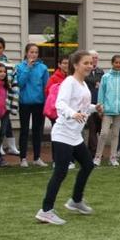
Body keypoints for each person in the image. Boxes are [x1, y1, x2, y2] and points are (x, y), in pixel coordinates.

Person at [35, 50, 101, 225]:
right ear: (76, 65)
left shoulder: (83, 84)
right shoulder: (69, 82)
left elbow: (83, 106)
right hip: (63, 134)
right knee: (61, 172)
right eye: (86, 63)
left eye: (91, 63)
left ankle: (76, 201)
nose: (90, 66)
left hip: (75, 135)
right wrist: (73, 114)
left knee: (88, 165)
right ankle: (46, 211)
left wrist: (95, 108)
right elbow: (60, 104)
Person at [94, 54, 120, 167]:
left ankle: (113, 157)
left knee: (116, 134)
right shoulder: (106, 77)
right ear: (112, 63)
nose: (118, 64)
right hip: (107, 110)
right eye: (116, 62)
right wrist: (100, 108)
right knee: (104, 133)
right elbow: (101, 94)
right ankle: (97, 156)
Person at [16, 42, 49, 167]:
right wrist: (27, 68)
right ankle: (23, 158)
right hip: (24, 102)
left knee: (37, 131)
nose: (33, 54)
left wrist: (46, 103)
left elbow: (46, 87)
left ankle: (37, 157)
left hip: (39, 103)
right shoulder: (20, 67)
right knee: (24, 130)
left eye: (36, 52)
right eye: (31, 52)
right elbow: (19, 83)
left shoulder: (43, 68)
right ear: (26, 53)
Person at [83, 50, 105, 156]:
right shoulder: (85, 72)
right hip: (89, 104)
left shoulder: (101, 72)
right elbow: (89, 80)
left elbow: (103, 85)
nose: (94, 60)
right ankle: (93, 152)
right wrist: (96, 82)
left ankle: (97, 151)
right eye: (92, 58)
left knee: (100, 129)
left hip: (99, 104)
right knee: (92, 128)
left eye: (96, 58)